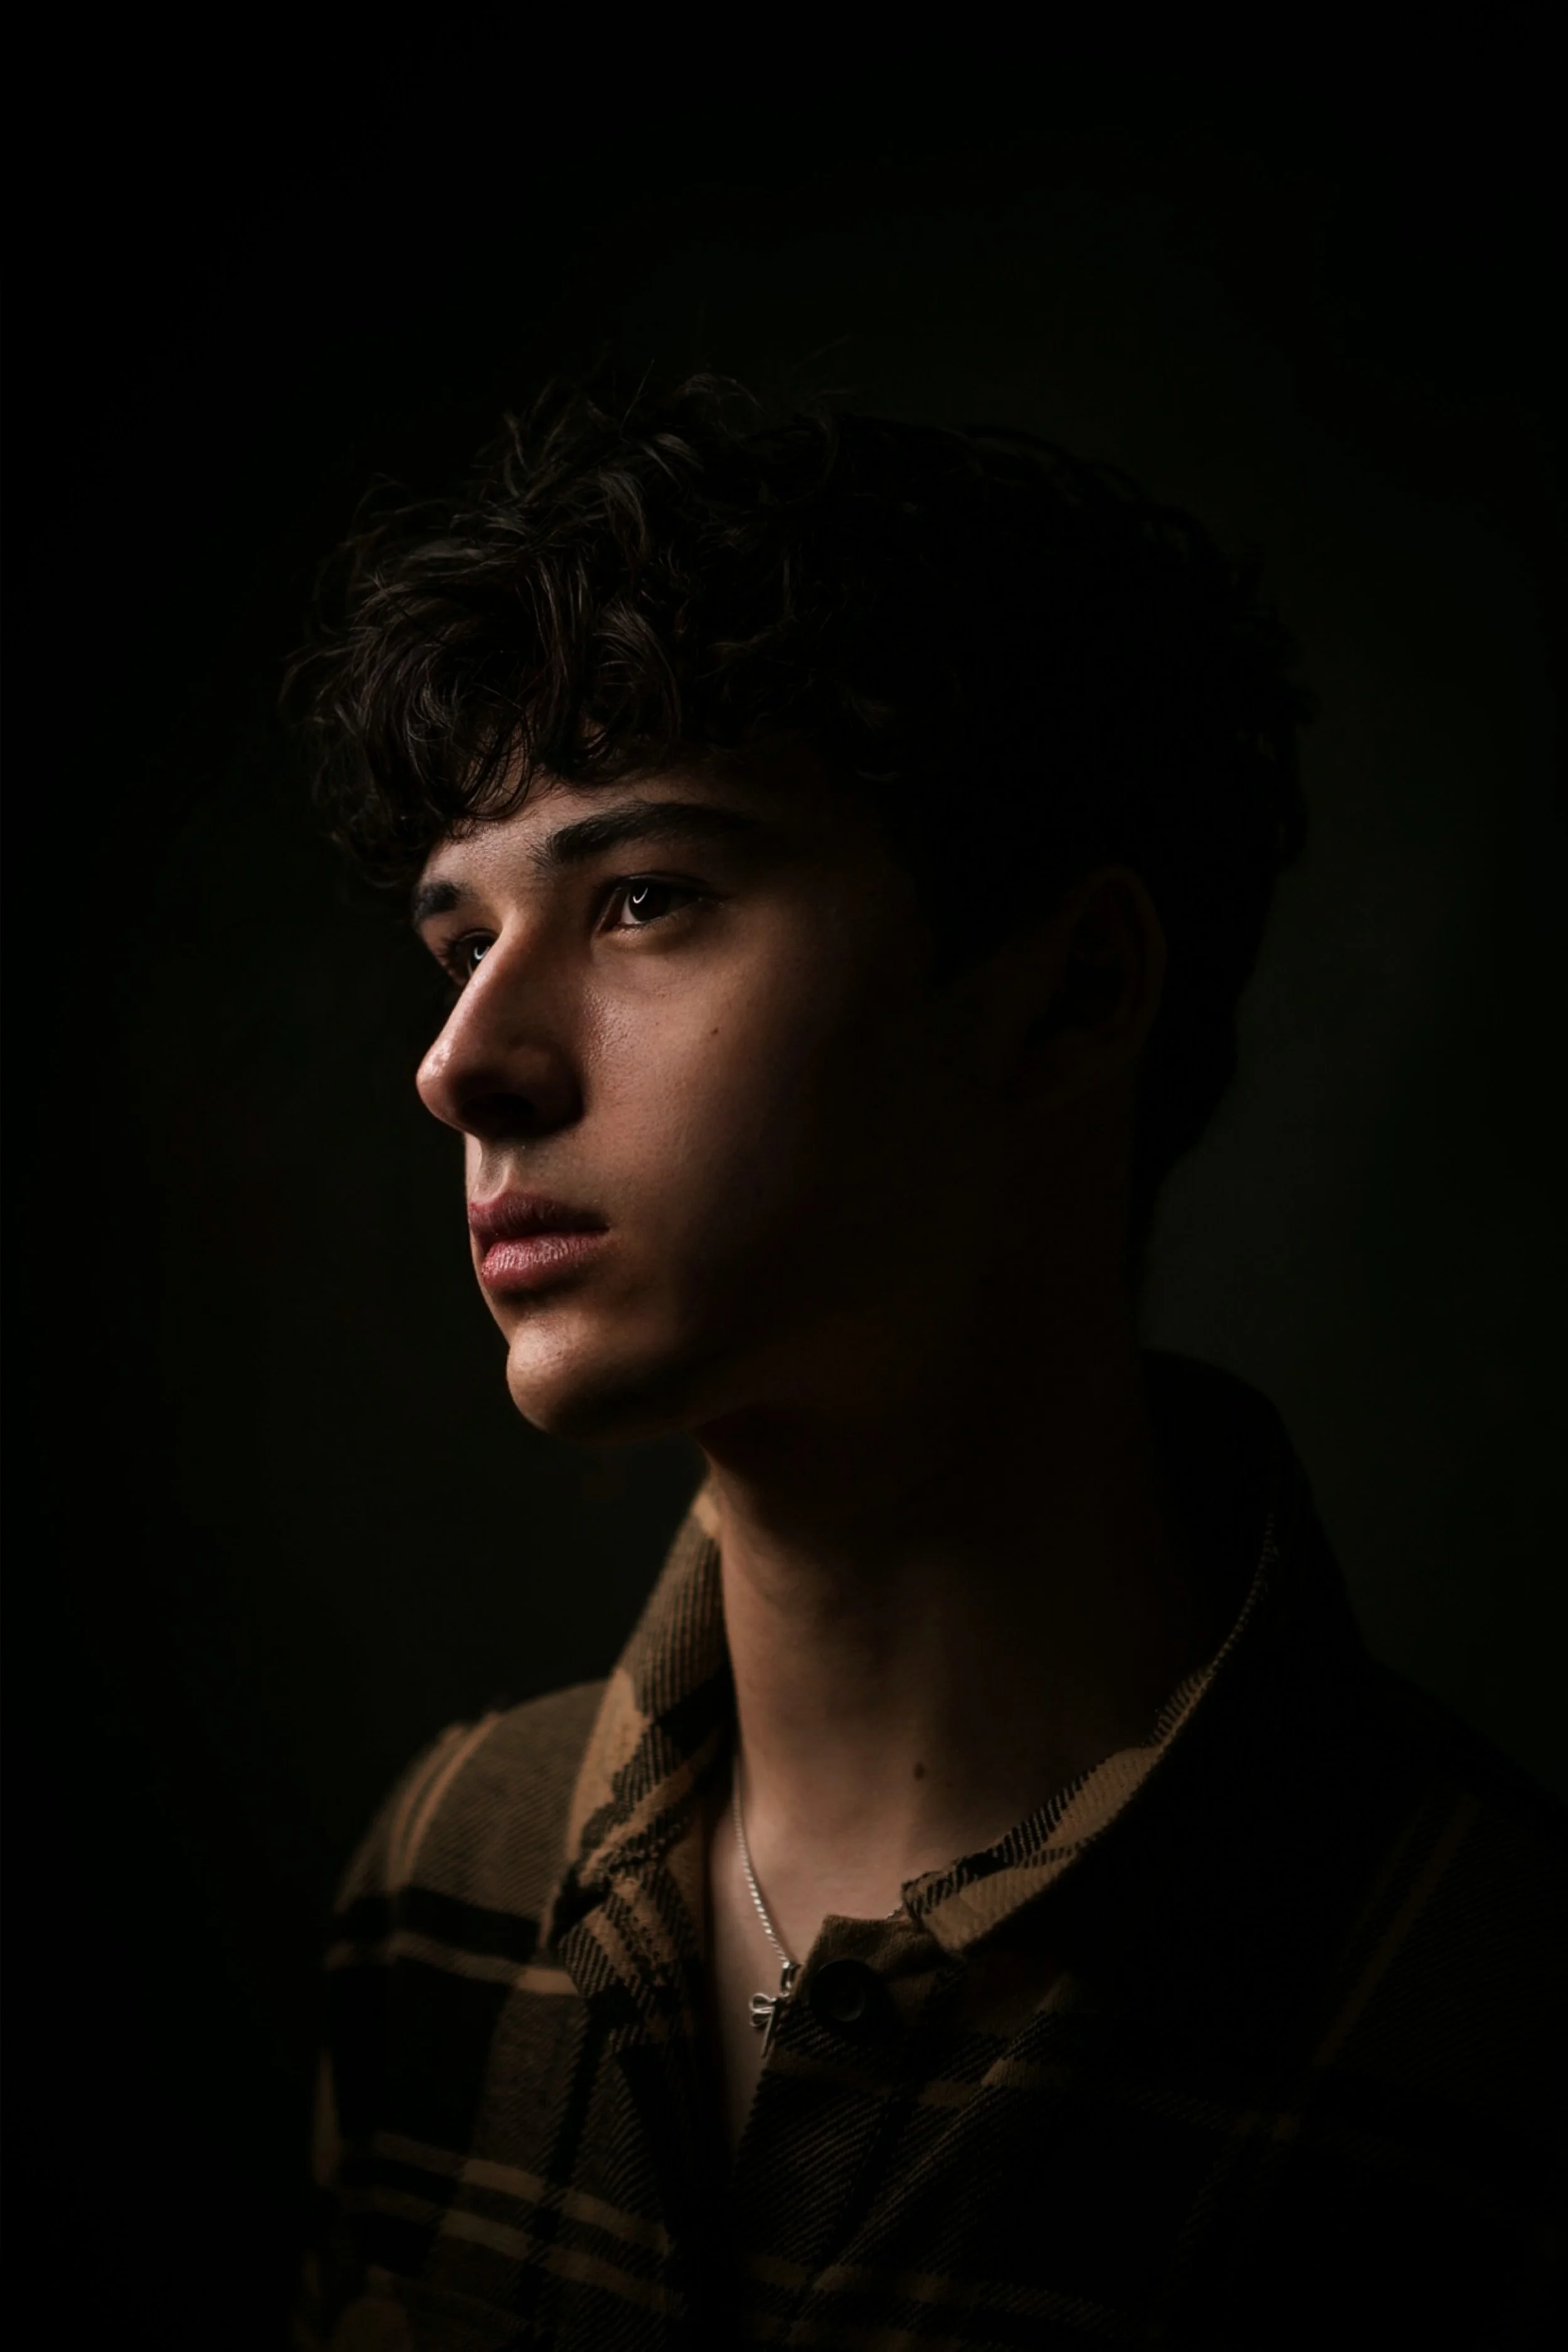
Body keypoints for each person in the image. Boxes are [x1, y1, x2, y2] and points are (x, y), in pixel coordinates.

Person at [290, 374, 1564, 2349]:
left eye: (645, 899)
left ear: (1063, 997)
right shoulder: (441, 1881)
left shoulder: (1486, 2014)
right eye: (460, 937)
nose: (465, 1059)